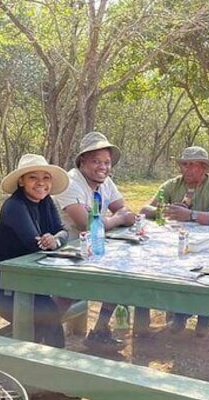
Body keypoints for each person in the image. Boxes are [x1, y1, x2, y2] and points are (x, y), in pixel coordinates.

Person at [0, 154, 69, 348]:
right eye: (33, 177)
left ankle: (56, 364)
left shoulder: (48, 202)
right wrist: (52, 241)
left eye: (46, 178)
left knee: (50, 314)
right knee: (32, 320)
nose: (41, 183)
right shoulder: (14, 206)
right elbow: (35, 245)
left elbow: (64, 231)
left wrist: (55, 240)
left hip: (21, 279)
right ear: (21, 181)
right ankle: (18, 365)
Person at [53, 132, 136, 348]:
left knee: (123, 274)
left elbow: (124, 210)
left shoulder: (105, 181)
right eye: (96, 161)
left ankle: (100, 331)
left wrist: (117, 218)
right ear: (83, 161)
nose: (103, 167)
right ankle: (42, 335)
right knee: (70, 289)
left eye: (107, 162)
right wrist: (117, 219)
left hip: (89, 249)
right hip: (62, 251)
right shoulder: (71, 183)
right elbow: (87, 224)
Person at [139, 146, 209, 336]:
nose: (187, 169)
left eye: (193, 165)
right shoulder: (173, 185)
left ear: (204, 168)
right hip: (175, 243)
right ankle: (176, 316)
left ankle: (204, 319)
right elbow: (145, 209)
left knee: (206, 274)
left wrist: (191, 215)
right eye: (185, 165)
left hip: (207, 244)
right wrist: (165, 210)